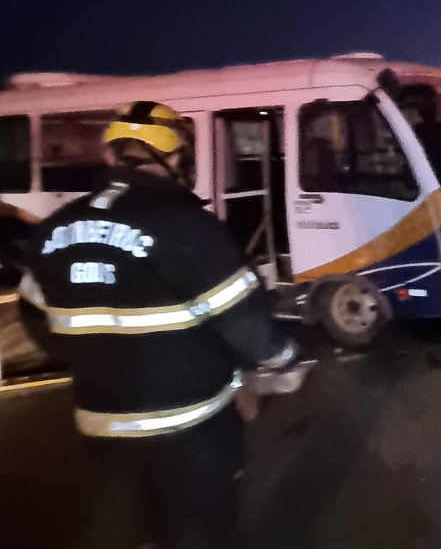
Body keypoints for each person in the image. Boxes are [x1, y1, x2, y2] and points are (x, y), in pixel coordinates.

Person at [17, 101, 302, 548]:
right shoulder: (187, 226)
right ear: (173, 158)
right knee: (198, 525)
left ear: (112, 157)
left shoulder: (54, 229)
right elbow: (243, 319)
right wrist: (284, 361)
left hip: (103, 418)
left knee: (150, 510)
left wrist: (98, 358)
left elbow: (35, 317)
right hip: (189, 421)